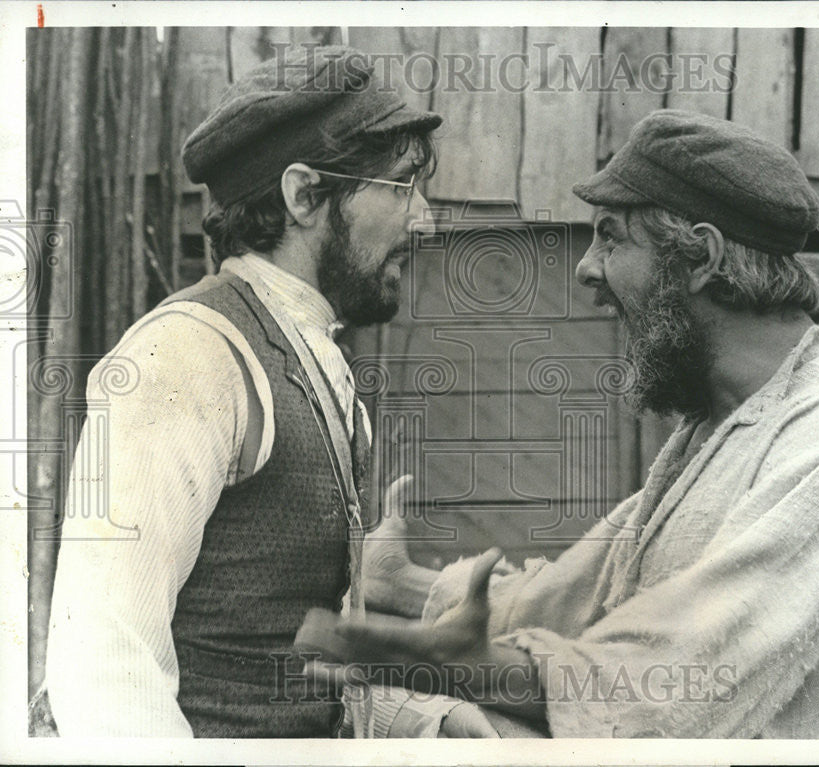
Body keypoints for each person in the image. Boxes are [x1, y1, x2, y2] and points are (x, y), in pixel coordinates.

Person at [299, 109, 819, 738]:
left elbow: (671, 678)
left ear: (702, 257)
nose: (585, 268)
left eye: (611, 237)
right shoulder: (724, 426)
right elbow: (579, 593)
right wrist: (405, 585)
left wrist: (455, 669)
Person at [36, 46, 496, 738]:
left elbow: (277, 657)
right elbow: (104, 670)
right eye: (403, 185)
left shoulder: (315, 361)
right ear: (304, 195)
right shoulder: (186, 359)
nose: (423, 219)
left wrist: (424, 720)